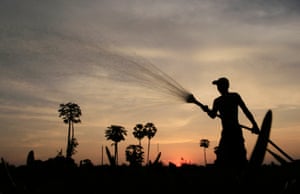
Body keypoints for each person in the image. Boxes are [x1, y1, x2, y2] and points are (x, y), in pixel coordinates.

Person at [187, 77, 259, 169]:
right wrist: (204, 109)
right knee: (227, 158)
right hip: (231, 131)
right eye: (218, 86)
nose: (218, 88)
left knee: (235, 158)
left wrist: (255, 124)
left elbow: (245, 111)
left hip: (231, 132)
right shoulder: (226, 99)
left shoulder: (227, 98)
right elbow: (213, 115)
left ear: (225, 86)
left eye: (219, 86)